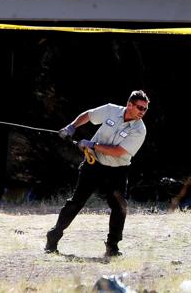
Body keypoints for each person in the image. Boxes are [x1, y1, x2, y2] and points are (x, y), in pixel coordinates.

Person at [45, 90, 150, 257]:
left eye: (145, 109)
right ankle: (53, 238)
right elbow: (89, 115)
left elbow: (118, 152)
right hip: (93, 165)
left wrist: (92, 145)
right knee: (76, 202)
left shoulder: (139, 130)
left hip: (117, 171)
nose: (142, 112)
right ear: (129, 105)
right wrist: (72, 127)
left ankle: (112, 247)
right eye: (139, 107)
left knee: (119, 207)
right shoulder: (111, 110)